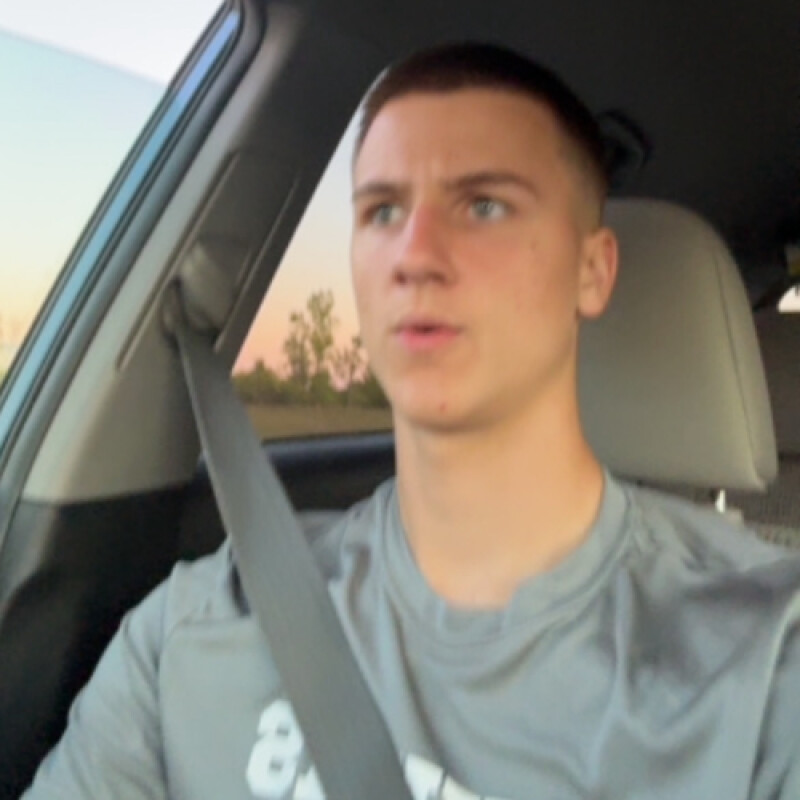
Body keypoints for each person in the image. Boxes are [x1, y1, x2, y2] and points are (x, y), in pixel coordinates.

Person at [24, 43, 800, 800]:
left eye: (484, 205)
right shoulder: (197, 629)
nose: (413, 254)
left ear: (592, 272)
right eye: (383, 211)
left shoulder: (764, 663)